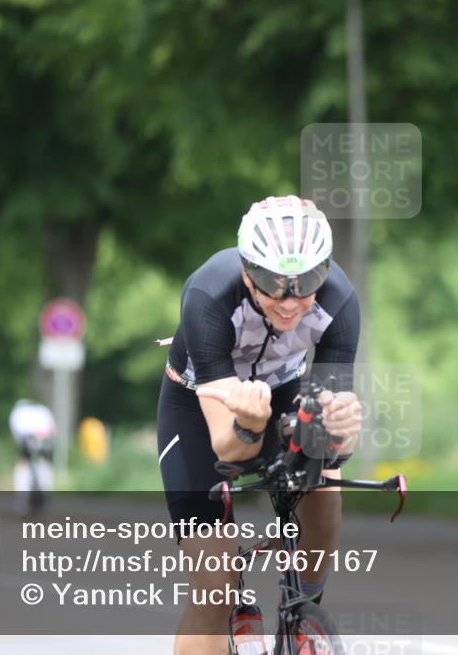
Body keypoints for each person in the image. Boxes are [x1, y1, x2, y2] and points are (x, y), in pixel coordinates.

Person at [157, 195, 363, 655]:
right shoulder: (209, 294)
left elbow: (336, 430)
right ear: (248, 273)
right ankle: (228, 604)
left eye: (306, 282)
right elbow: (228, 449)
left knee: (325, 478)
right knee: (214, 589)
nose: (290, 303)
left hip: (283, 389)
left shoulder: (339, 301)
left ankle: (306, 608)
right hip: (198, 405)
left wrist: (343, 426)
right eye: (273, 285)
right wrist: (250, 426)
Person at [9, 399, 56, 513]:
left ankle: (23, 502)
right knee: (44, 463)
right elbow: (53, 431)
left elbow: (18, 437)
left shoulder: (18, 413)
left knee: (23, 465)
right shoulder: (44, 411)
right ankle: (44, 493)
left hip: (27, 436)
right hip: (44, 437)